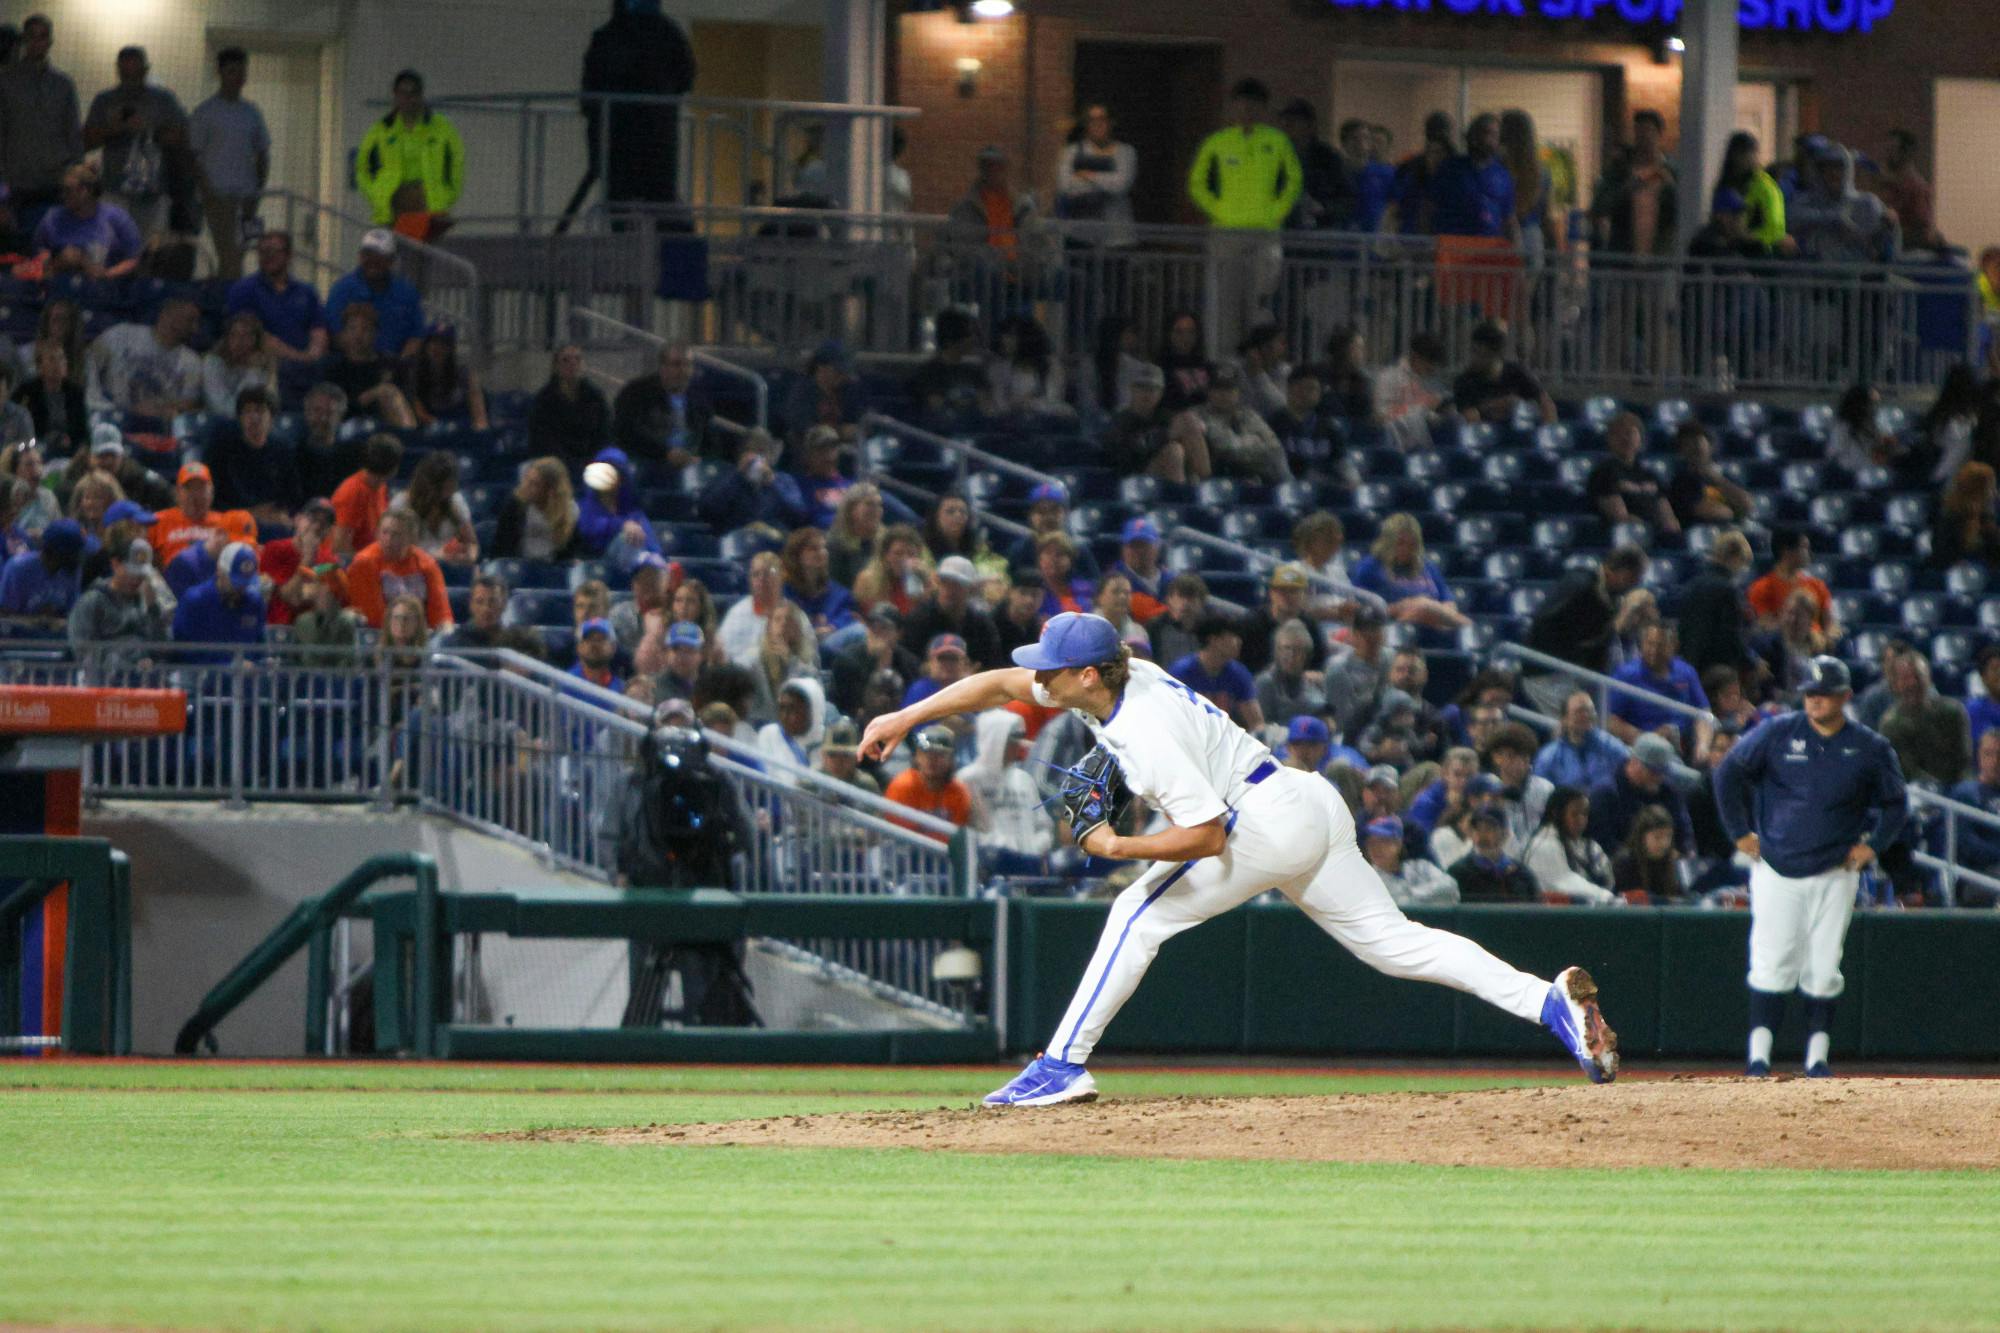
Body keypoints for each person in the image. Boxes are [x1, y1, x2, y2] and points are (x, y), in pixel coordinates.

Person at [862, 611, 1617, 1104]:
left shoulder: (1144, 736)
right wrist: (908, 712)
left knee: (1134, 909)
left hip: (1257, 820)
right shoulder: (1124, 676)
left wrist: (1120, 845)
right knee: (1396, 944)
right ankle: (1546, 1001)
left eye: (1053, 668)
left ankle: (1061, 1064)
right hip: (1306, 798)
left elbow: (1209, 837)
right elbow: (1000, 681)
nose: (1041, 677)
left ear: (1087, 674)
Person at [1715, 656, 1907, 1077]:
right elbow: (1727, 772)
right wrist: (1739, 833)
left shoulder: (1870, 746)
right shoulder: (1777, 732)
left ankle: (1817, 1060)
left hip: (1835, 870)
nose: (1815, 700)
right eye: (1810, 693)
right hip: (1776, 867)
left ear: (1844, 696)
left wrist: (1874, 845)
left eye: (1823, 693)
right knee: (1771, 960)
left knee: (1823, 967)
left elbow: (1897, 804)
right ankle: (1758, 1059)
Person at [1186, 80, 1302, 348]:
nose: (1247, 110)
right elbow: (1197, 182)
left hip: (1266, 231)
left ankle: (1257, 359)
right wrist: (1219, 210)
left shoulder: (1277, 140)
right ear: (1233, 107)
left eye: (1254, 106)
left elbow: (1293, 180)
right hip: (1226, 232)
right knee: (1226, 303)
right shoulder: (1218, 142)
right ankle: (1227, 362)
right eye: (1242, 105)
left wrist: (1276, 210)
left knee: (1260, 302)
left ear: (1263, 109)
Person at [581, 0, 695, 210]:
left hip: (617, 138)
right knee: (660, 203)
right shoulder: (668, 34)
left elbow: (591, 90)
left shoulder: (610, 36)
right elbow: (685, 78)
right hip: (658, 136)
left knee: (621, 203)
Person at [81, 45, 186, 238]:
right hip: (114, 187)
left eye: (135, 73)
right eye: (125, 72)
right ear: (117, 70)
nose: (130, 79)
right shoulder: (105, 100)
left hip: (153, 191)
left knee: (149, 250)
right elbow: (86, 141)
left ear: (145, 70)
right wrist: (115, 129)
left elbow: (180, 138)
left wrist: (150, 131)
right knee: (111, 246)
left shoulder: (163, 100)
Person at [1524, 546, 1650, 696]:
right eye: (1635, 578)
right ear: (1624, 574)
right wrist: (1617, 624)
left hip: (1580, 675)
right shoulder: (1580, 586)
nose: (1636, 584)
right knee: (1578, 716)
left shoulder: (1611, 595)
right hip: (1548, 674)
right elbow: (1546, 624)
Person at [188, 46, 268, 280]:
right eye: (233, 71)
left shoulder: (252, 112)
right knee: (229, 254)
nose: (239, 77)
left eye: (242, 71)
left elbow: (263, 152)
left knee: (239, 255)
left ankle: (228, 302)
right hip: (219, 196)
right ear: (221, 73)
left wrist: (258, 190)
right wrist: (207, 192)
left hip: (248, 198)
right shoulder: (206, 112)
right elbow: (193, 156)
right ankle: (233, 306)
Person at [0, 15, 84, 225]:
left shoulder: (63, 84)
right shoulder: (5, 81)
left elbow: (72, 132)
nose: (37, 42)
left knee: (51, 243)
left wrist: (77, 176)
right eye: (32, 37)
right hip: (16, 180)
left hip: (56, 180)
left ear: (50, 41)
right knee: (14, 246)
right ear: (24, 40)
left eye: (43, 37)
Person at [354, 69, 463, 229]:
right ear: (395, 96)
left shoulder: (441, 128)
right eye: (403, 93)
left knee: (424, 252)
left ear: (421, 96)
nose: (408, 99)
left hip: (429, 203)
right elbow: (362, 168)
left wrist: (447, 195)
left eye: (413, 93)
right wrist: (377, 194)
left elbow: (456, 163)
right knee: (394, 250)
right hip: (393, 204)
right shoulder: (381, 130)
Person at [959, 710, 1055, 865]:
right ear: (995, 739)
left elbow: (1043, 825)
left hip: (1029, 863)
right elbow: (964, 829)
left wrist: (1036, 846)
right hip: (989, 863)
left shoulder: (1024, 779)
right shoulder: (967, 779)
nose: (1017, 746)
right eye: (1011, 740)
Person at [84, 296, 203, 419]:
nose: (195, 328)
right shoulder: (121, 334)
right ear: (168, 315)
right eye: (190, 320)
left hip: (155, 424)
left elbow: (187, 403)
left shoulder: (192, 361)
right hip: (110, 415)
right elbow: (88, 364)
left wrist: (161, 409)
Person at [225, 230, 328, 369]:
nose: (268, 256)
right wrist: (300, 359)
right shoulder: (244, 289)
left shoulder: (307, 292)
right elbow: (255, 336)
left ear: (289, 255)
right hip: (264, 366)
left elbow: (318, 330)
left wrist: (313, 355)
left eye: (274, 251)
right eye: (263, 251)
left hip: (307, 366)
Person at [1607, 621, 1712, 755]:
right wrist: (1649, 739)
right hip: (1643, 751)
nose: (1654, 650)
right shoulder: (1626, 674)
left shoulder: (1686, 672)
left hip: (1686, 745)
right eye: (1650, 644)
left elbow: (1703, 712)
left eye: (1660, 645)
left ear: (1673, 646)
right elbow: (1611, 721)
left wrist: (1702, 745)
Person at [1350, 512, 1467, 630]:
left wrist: (1428, 607)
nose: (1406, 549)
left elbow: (1448, 602)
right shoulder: (1370, 566)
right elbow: (1358, 610)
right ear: (1388, 542)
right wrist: (1401, 607)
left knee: (1426, 608)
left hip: (1433, 625)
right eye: (1400, 543)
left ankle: (1464, 626)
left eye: (1412, 545)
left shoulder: (1427, 566)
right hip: (1391, 628)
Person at [1101, 362, 1211, 484]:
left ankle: (1207, 489)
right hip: (1131, 481)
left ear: (1160, 393)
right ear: (1132, 389)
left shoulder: (1165, 417)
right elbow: (1124, 457)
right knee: (1174, 451)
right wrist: (1167, 434)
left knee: (1188, 421)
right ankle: (1179, 498)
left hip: (1168, 475)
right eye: (1141, 386)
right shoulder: (1119, 420)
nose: (1146, 393)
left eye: (1152, 388)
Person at [344, 509, 452, 632]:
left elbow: (441, 614)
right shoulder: (364, 562)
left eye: (396, 535)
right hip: (380, 635)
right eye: (384, 532)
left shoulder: (427, 565)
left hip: (422, 637)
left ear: (412, 538)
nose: (388, 539)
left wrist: (444, 634)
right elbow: (373, 617)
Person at [208, 386, 300, 529]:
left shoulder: (284, 450)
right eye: (248, 411)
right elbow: (214, 500)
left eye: (260, 410)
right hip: (231, 522)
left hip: (273, 521)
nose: (254, 417)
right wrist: (252, 513)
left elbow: (293, 496)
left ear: (271, 417)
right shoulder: (221, 449)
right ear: (240, 418)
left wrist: (283, 512)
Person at [1587, 733, 1693, 859]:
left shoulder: (1668, 791)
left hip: (1664, 864)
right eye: (1653, 772)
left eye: (1662, 772)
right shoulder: (1605, 793)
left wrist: (1683, 853)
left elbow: (1684, 832)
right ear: (1635, 763)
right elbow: (1603, 842)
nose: (1658, 777)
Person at [324, 230, 425, 359]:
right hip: (349, 366)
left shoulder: (407, 293)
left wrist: (398, 365)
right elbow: (334, 333)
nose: (373, 261)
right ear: (360, 256)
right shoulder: (342, 289)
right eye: (368, 255)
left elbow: (416, 336)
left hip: (393, 368)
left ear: (391, 260)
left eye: (380, 256)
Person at [1590, 108, 1677, 257]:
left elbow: (1683, 209)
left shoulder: (1672, 172)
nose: (1644, 137)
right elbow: (1599, 206)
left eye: (1649, 131)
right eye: (1639, 131)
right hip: (1623, 256)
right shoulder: (1619, 171)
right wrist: (1625, 190)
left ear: (1659, 134)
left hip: (1660, 256)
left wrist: (1669, 186)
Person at [613, 340, 714, 466]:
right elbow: (628, 432)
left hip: (689, 465)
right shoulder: (636, 393)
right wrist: (665, 453)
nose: (683, 370)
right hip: (647, 463)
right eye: (676, 365)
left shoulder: (698, 398)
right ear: (663, 367)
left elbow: (709, 439)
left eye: (687, 365)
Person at [30, 164, 141, 279]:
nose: (63, 196)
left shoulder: (117, 219)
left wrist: (107, 274)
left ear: (85, 191)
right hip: (61, 284)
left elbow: (133, 259)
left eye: (68, 190)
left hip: (106, 287)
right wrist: (57, 262)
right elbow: (39, 252)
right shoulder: (52, 218)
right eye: (62, 190)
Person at [1877, 653, 1971, 787]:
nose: (1912, 683)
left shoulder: (1953, 711)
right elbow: (1907, 771)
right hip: (1917, 792)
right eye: (1905, 678)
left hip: (1957, 786)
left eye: (1918, 676)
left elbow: (1964, 759)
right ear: (1895, 684)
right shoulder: (1891, 724)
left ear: (1928, 678)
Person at [1677, 529, 1757, 678]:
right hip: (1717, 672)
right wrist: (1752, 664)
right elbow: (1731, 637)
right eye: (1742, 563)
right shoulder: (1728, 590)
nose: (1741, 570)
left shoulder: (1692, 585)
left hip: (1690, 665)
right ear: (1734, 557)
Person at [319, 305, 415, 427]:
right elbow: (332, 406)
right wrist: (371, 395)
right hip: (347, 425)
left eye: (365, 329)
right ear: (343, 333)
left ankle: (408, 438)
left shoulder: (392, 364)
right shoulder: (332, 367)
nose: (358, 335)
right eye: (352, 329)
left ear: (375, 333)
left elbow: (406, 399)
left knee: (389, 392)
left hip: (386, 422)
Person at [67, 531, 164, 651]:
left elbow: (163, 648)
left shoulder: (147, 600)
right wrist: (129, 662)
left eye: (141, 575)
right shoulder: (93, 600)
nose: (136, 579)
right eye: (132, 572)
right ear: (115, 564)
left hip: (145, 669)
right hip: (104, 669)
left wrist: (153, 610)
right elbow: (81, 649)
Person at [900, 555, 1000, 669]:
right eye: (945, 583)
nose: (950, 590)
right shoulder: (919, 619)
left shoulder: (982, 625)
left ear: (971, 589)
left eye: (957, 584)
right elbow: (908, 661)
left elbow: (992, 663)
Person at [700, 428, 806, 534]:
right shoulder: (726, 476)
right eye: (750, 450)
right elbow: (708, 510)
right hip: (737, 539)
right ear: (740, 453)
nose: (756, 456)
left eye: (761, 451)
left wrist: (773, 484)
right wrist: (738, 475)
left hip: (775, 539)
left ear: (770, 456)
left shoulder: (783, 480)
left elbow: (799, 517)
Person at [149, 462, 256, 567]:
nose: (195, 495)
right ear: (177, 492)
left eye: (201, 488)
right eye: (189, 488)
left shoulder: (227, 522)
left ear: (212, 492)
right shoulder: (157, 520)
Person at [1056, 104, 1136, 244]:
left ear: (1111, 122)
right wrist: (1106, 184)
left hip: (1116, 238)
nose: (1097, 125)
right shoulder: (1071, 152)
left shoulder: (1125, 152)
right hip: (1079, 236)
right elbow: (1066, 186)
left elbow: (1121, 185)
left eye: (1102, 119)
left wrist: (1088, 176)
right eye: (1092, 120)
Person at [1199, 362, 1289, 486]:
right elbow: (1224, 446)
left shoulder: (1249, 415)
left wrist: (1238, 444)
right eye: (1218, 388)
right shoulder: (1198, 415)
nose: (1224, 394)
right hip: (1216, 480)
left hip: (1252, 477)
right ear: (1208, 391)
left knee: (1276, 462)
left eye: (1229, 389)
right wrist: (1253, 441)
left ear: (1238, 392)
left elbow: (1274, 448)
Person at [170, 540, 265, 657]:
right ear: (220, 571)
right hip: (200, 672)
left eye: (246, 583)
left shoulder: (254, 602)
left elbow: (259, 645)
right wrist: (227, 666)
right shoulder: (196, 600)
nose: (241, 588)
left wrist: (261, 663)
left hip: (246, 673)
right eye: (236, 582)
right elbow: (182, 649)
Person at [1523, 787, 1616, 904]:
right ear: (1557, 814)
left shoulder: (1591, 847)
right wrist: (1605, 897)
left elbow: (1608, 880)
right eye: (1575, 814)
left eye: (1585, 814)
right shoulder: (1543, 845)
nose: (1581, 820)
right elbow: (1564, 883)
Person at [1170, 615, 1264, 732]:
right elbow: (1170, 714)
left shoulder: (1238, 673)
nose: (1239, 642)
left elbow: (1256, 722)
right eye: (1233, 636)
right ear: (1214, 640)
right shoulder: (1182, 672)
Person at [1452, 321, 1555, 426]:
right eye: (1474, 352)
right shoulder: (1464, 381)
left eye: (1482, 354)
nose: (1475, 358)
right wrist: (1494, 406)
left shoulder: (1518, 373)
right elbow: (1468, 416)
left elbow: (1545, 403)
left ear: (1496, 353)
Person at [577, 447, 663, 571]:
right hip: (593, 568)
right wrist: (622, 525)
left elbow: (652, 545)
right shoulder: (583, 507)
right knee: (628, 539)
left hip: (630, 572)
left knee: (651, 557)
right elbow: (588, 528)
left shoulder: (634, 514)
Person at [881, 724, 976, 834]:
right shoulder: (902, 786)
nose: (932, 760)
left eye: (939, 754)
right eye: (926, 753)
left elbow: (957, 837)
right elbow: (899, 834)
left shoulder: (958, 791)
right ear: (917, 756)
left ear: (951, 759)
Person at [829, 604, 920, 717]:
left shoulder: (909, 663)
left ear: (898, 633)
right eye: (872, 626)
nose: (876, 631)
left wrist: (885, 665)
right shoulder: (847, 660)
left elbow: (911, 702)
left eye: (884, 627)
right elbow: (845, 706)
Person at [391, 451, 477, 565]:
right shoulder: (401, 504)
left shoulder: (455, 501)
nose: (453, 488)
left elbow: (471, 542)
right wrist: (438, 556)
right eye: (448, 485)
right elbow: (393, 547)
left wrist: (469, 556)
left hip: (449, 569)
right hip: (412, 569)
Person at [1533, 691, 1630, 792]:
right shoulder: (1548, 756)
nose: (1586, 715)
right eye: (1580, 711)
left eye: (1590, 710)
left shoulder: (1612, 747)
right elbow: (1540, 792)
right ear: (1565, 719)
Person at [906, 307, 991, 421]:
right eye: (969, 334)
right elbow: (936, 408)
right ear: (950, 338)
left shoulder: (974, 372)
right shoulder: (928, 372)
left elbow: (986, 407)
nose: (974, 339)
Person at [1746, 529, 1837, 636]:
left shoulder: (1817, 586)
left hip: (1815, 646)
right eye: (1804, 548)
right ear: (1786, 551)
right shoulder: (1761, 588)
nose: (1809, 553)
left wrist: (1828, 637)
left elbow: (1830, 625)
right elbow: (1766, 626)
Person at [528, 345, 612, 459]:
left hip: (590, 458)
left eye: (577, 359)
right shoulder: (544, 398)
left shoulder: (595, 397)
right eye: (566, 360)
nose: (572, 364)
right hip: (556, 460)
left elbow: (603, 433)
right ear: (555, 367)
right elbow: (541, 437)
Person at [1277, 99, 1349, 232]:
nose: (1287, 125)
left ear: (1310, 126)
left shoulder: (1328, 157)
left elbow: (1347, 199)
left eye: (1293, 121)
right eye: (1284, 121)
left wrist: (1324, 208)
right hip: (1283, 232)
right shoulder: (1275, 156)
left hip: (1320, 235)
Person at [492, 457, 582, 562]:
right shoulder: (516, 505)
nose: (526, 486)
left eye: (534, 484)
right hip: (520, 565)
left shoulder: (569, 510)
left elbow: (570, 549)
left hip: (553, 568)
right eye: (527, 480)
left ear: (550, 490)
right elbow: (501, 547)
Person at [780, 524, 856, 648]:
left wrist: (832, 627)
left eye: (823, 547)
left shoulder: (839, 593)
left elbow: (849, 616)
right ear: (796, 555)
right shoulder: (783, 592)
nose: (821, 553)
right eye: (813, 549)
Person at [1373, 332, 1450, 453]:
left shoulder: (1435, 382)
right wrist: (1420, 408)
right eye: (1429, 363)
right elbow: (1380, 416)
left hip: (1430, 440)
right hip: (1396, 441)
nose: (1432, 369)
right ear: (1415, 357)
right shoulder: (1389, 377)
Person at [400, 323, 487, 429]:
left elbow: (479, 416)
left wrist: (479, 427)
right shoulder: (415, 373)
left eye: (444, 344)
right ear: (426, 346)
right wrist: (440, 426)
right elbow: (419, 411)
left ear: (451, 348)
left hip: (460, 427)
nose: (438, 348)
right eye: (434, 342)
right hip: (431, 428)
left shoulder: (463, 375)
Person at [329, 433, 402, 560]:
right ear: (394, 470)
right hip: (337, 566)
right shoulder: (352, 492)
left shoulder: (381, 487)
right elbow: (340, 547)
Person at [1322, 604, 1391, 735]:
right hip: (1351, 734)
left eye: (1376, 630)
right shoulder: (1338, 669)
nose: (1372, 637)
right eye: (1366, 632)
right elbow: (1340, 721)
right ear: (1354, 634)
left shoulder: (1392, 659)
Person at [778, 341, 862, 448]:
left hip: (842, 450)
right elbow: (802, 429)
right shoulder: (802, 392)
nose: (843, 376)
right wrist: (840, 431)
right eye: (838, 371)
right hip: (808, 452)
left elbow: (859, 419)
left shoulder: (846, 391)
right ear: (821, 368)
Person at [1362, 816, 1459, 908]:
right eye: (1371, 843)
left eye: (1384, 842)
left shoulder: (1421, 867)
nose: (1376, 849)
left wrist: (1412, 893)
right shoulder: (1365, 879)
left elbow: (1451, 887)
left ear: (1398, 844)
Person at [1237, 562, 1316, 677]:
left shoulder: (1309, 624)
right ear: (1271, 593)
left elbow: (1319, 665)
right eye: (1282, 590)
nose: (1287, 596)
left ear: (1304, 594)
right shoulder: (1252, 622)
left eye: (1293, 591)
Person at [1446, 808, 1537, 902]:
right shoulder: (1458, 873)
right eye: (1477, 829)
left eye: (1489, 829)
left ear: (1505, 834)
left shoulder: (1521, 875)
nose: (1482, 836)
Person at [0, 516, 84, 619]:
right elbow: (5, 618)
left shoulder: (73, 569)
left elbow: (72, 613)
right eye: (67, 556)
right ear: (50, 553)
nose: (72, 561)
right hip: (21, 633)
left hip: (58, 633)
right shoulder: (18, 568)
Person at [15, 340, 89, 454]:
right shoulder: (27, 391)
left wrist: (73, 441)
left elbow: (82, 429)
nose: (58, 364)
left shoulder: (75, 392)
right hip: (38, 447)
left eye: (61, 359)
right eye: (52, 359)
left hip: (70, 448)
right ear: (40, 367)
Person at [1872, 128, 1939, 252]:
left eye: (1891, 150)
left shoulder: (1917, 188)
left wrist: (1891, 232)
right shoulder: (1890, 185)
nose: (1887, 155)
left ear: (1906, 153)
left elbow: (1922, 231)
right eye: (1886, 150)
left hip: (1907, 256)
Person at [202, 311, 276, 417]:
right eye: (234, 335)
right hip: (217, 424)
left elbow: (271, 405)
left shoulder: (261, 367)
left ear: (256, 340)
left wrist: (255, 370)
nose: (239, 341)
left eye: (246, 336)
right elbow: (222, 408)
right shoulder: (212, 363)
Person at [1256, 621, 1327, 730]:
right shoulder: (1266, 683)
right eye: (1286, 648)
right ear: (1277, 651)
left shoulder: (1312, 683)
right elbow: (1261, 727)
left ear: (1306, 655)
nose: (1291, 655)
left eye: (1298, 650)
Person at [1930, 462, 2000, 568]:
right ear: (1977, 489)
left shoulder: (1987, 520)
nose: (1995, 493)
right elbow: (1943, 556)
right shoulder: (1949, 521)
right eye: (1991, 487)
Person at [1609, 806, 1682, 902]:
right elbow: (1630, 899)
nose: (1664, 843)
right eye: (1657, 836)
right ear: (1642, 836)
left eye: (1668, 836)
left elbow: (1681, 897)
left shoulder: (1671, 863)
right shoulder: (1624, 863)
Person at [756, 677, 827, 772]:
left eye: (793, 709)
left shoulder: (828, 742)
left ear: (813, 711)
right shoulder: (769, 735)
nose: (785, 716)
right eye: (782, 708)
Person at [1146, 572, 1209, 667]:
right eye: (1181, 596)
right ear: (1169, 599)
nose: (1186, 602)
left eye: (1191, 597)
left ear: (1201, 602)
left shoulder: (1211, 629)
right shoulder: (1155, 627)